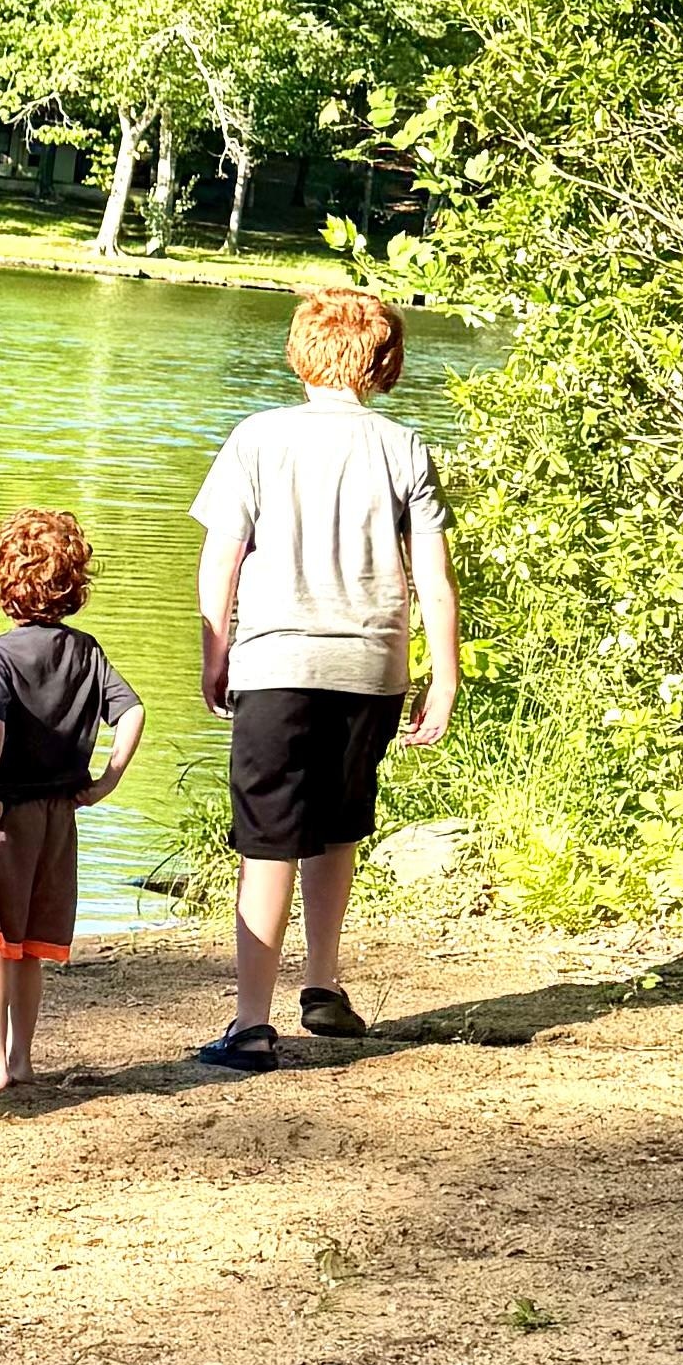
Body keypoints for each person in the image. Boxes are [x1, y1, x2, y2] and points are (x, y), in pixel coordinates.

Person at [189, 283, 457, 1076]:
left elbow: (222, 556)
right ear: (384, 361)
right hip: (372, 666)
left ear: (301, 353)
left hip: (277, 660)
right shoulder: (403, 445)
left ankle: (250, 1024)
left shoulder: (259, 438)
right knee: (338, 826)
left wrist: (215, 650)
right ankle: (324, 988)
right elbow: (434, 579)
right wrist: (441, 674)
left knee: (267, 840)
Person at [0, 507, 145, 1094]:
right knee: (30, 944)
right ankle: (22, 1059)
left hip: (8, 813)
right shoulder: (85, 651)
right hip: (61, 815)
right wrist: (108, 780)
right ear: (74, 583)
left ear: (2, 584)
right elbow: (132, 711)